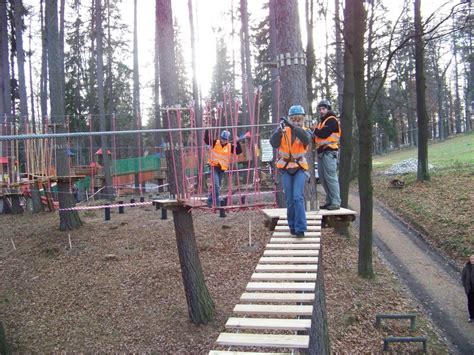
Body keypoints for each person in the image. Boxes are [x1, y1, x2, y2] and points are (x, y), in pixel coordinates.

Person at [270, 105, 311, 238]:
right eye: (293, 119)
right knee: (289, 199)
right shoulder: (283, 131)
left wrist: (292, 126)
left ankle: (301, 227)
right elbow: (274, 143)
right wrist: (279, 132)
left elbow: (306, 139)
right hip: (286, 168)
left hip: (299, 167)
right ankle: (292, 226)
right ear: (290, 119)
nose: (296, 122)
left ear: (303, 119)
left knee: (298, 197)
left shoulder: (306, 131)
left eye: (299, 119)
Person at [313, 99, 341, 210]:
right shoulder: (322, 122)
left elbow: (323, 134)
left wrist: (313, 129)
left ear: (328, 109)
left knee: (331, 177)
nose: (321, 111)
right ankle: (330, 201)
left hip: (329, 152)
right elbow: (317, 137)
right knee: (323, 178)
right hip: (322, 152)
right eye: (320, 109)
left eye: (323, 109)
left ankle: (335, 202)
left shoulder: (331, 120)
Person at [204, 129, 242, 207]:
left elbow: (239, 151)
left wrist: (237, 141)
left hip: (221, 169)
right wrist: (207, 130)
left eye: (225, 139)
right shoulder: (215, 143)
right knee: (217, 186)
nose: (224, 140)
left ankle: (209, 200)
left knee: (217, 187)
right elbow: (206, 140)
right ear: (220, 138)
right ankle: (217, 205)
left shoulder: (229, 146)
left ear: (228, 140)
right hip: (214, 167)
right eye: (223, 138)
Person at [461, 255, 474, 323]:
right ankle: (471, 316)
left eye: (473, 259)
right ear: (469, 259)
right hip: (469, 289)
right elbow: (463, 277)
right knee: (470, 303)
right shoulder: (466, 267)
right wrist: (465, 286)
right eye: (471, 259)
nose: (472, 260)